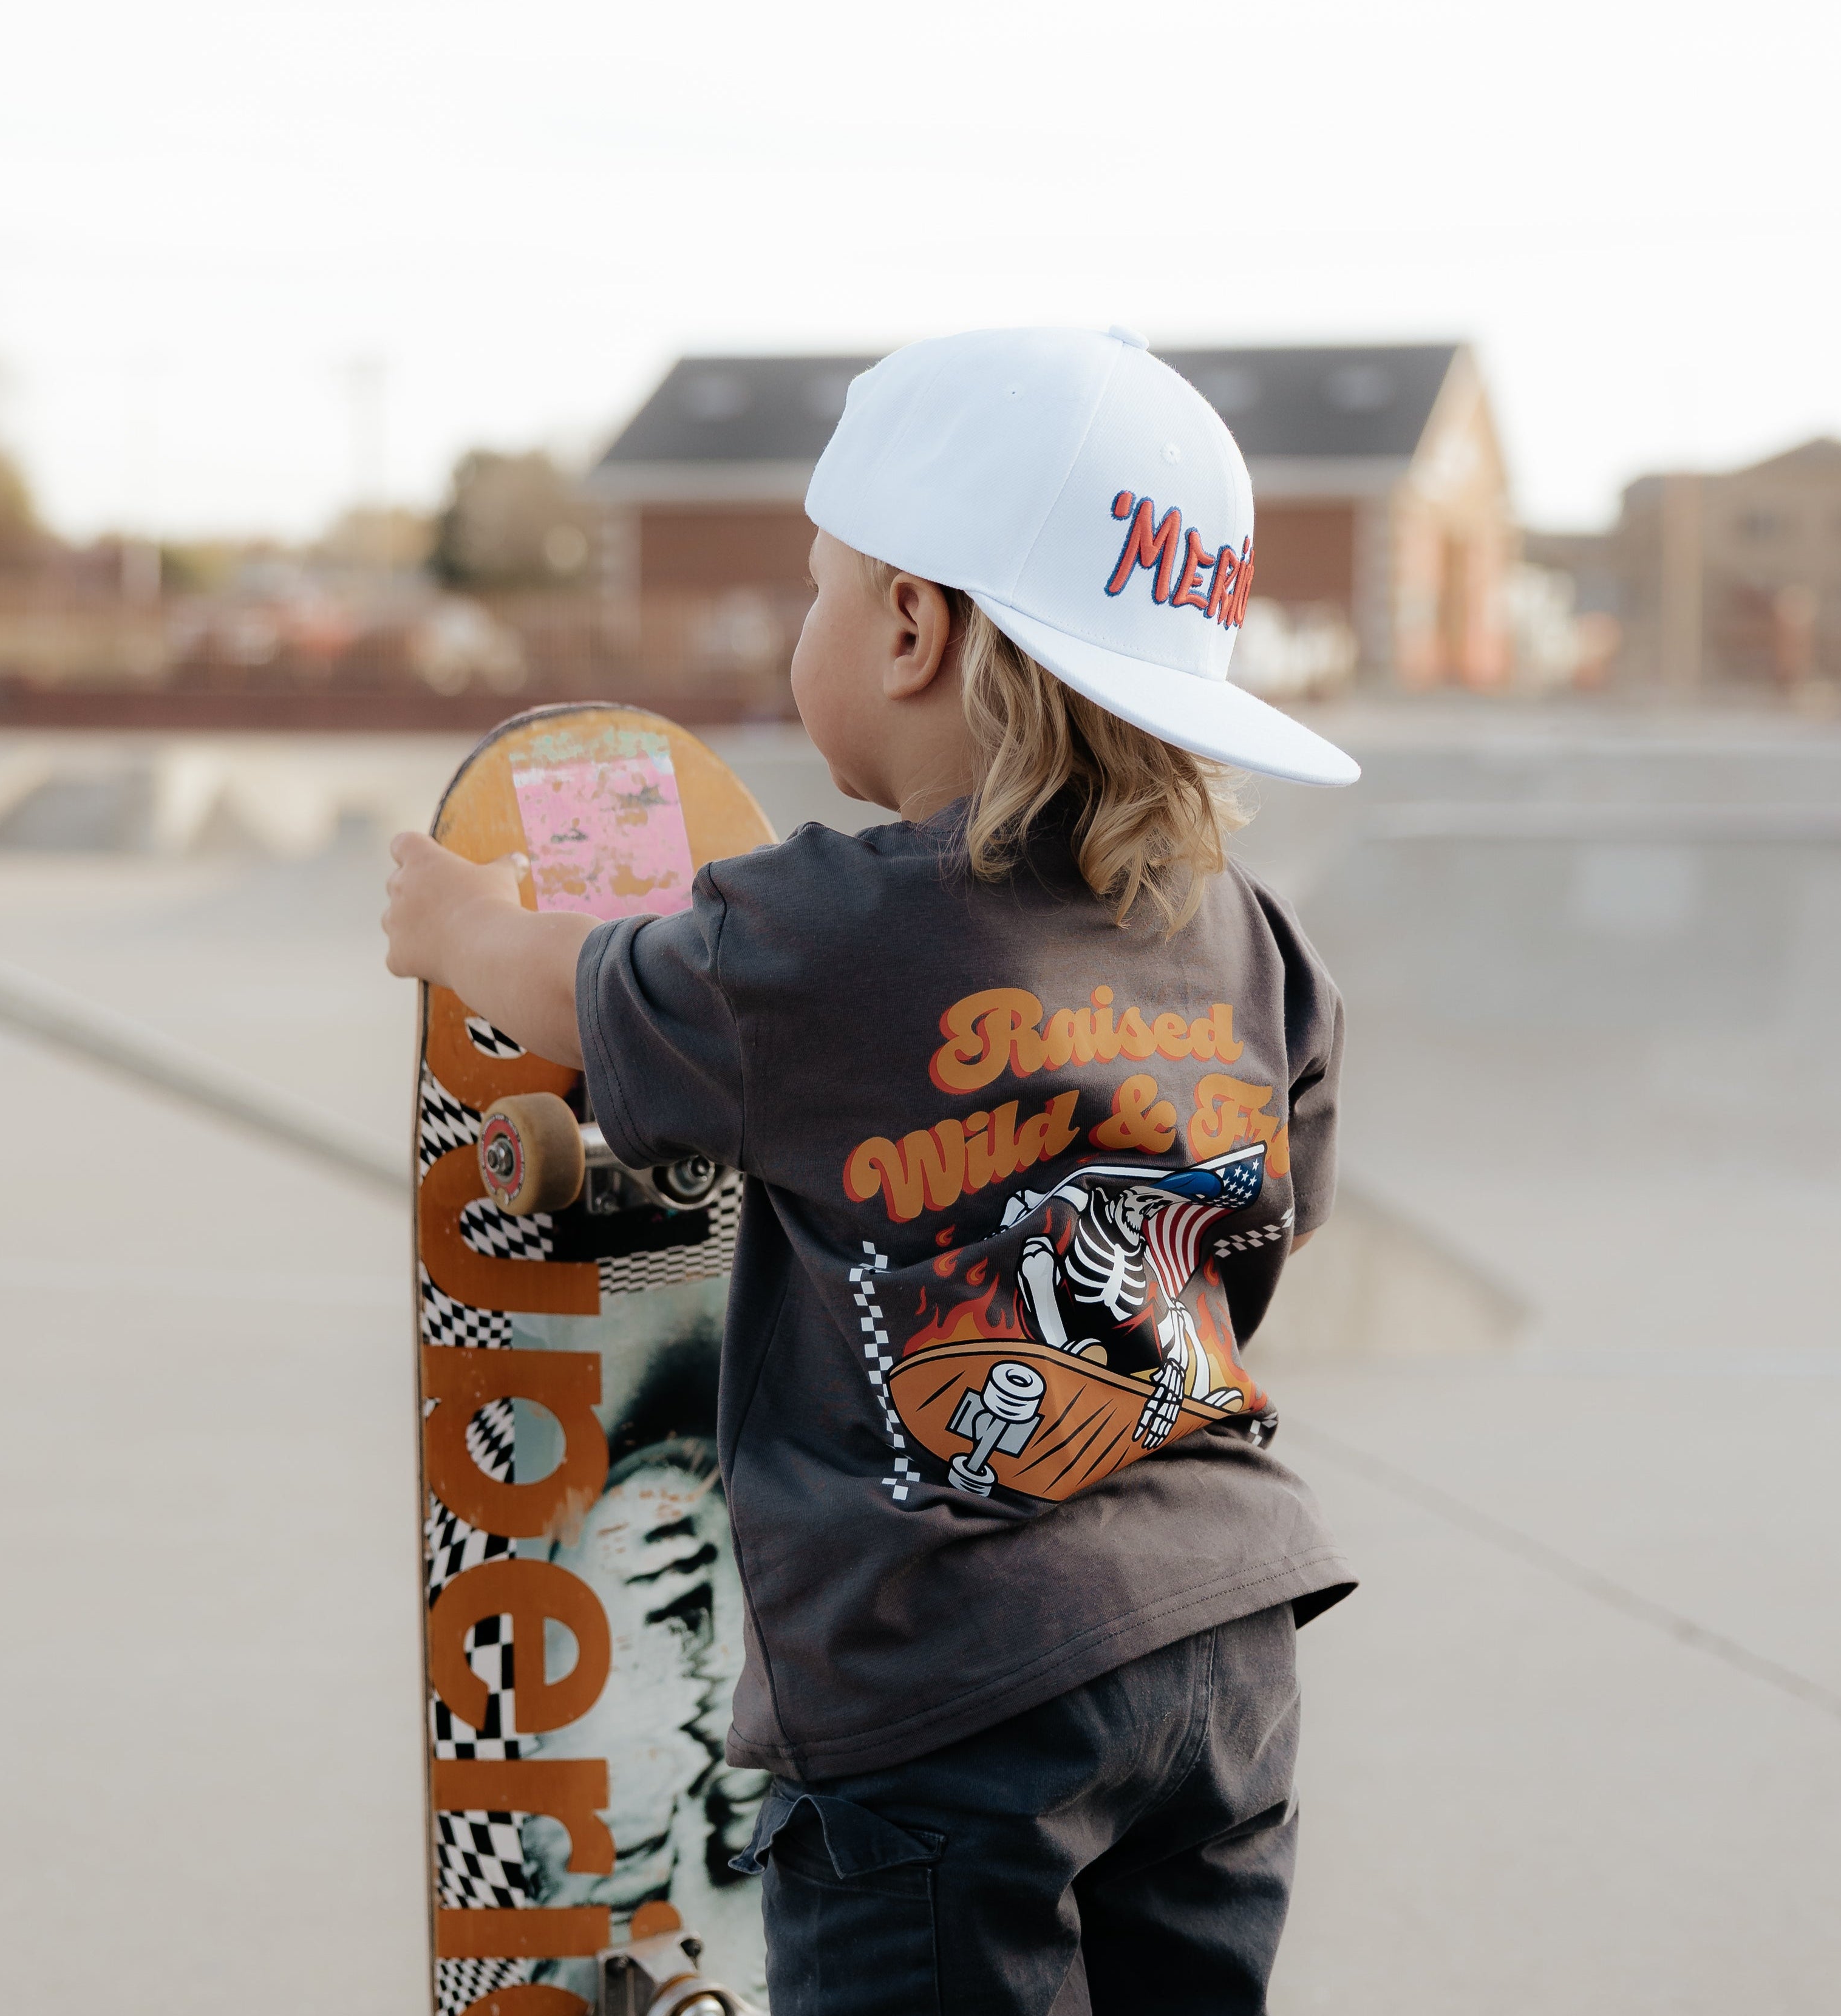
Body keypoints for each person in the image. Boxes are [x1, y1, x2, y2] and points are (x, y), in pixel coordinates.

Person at [383, 325, 1359, 2016]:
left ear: (911, 625)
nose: (807, 624)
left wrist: (460, 926)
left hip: (946, 1693)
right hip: (1229, 1643)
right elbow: (1265, 1214)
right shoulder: (1247, 935)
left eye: (817, 589)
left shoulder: (827, 933)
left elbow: (580, 989)